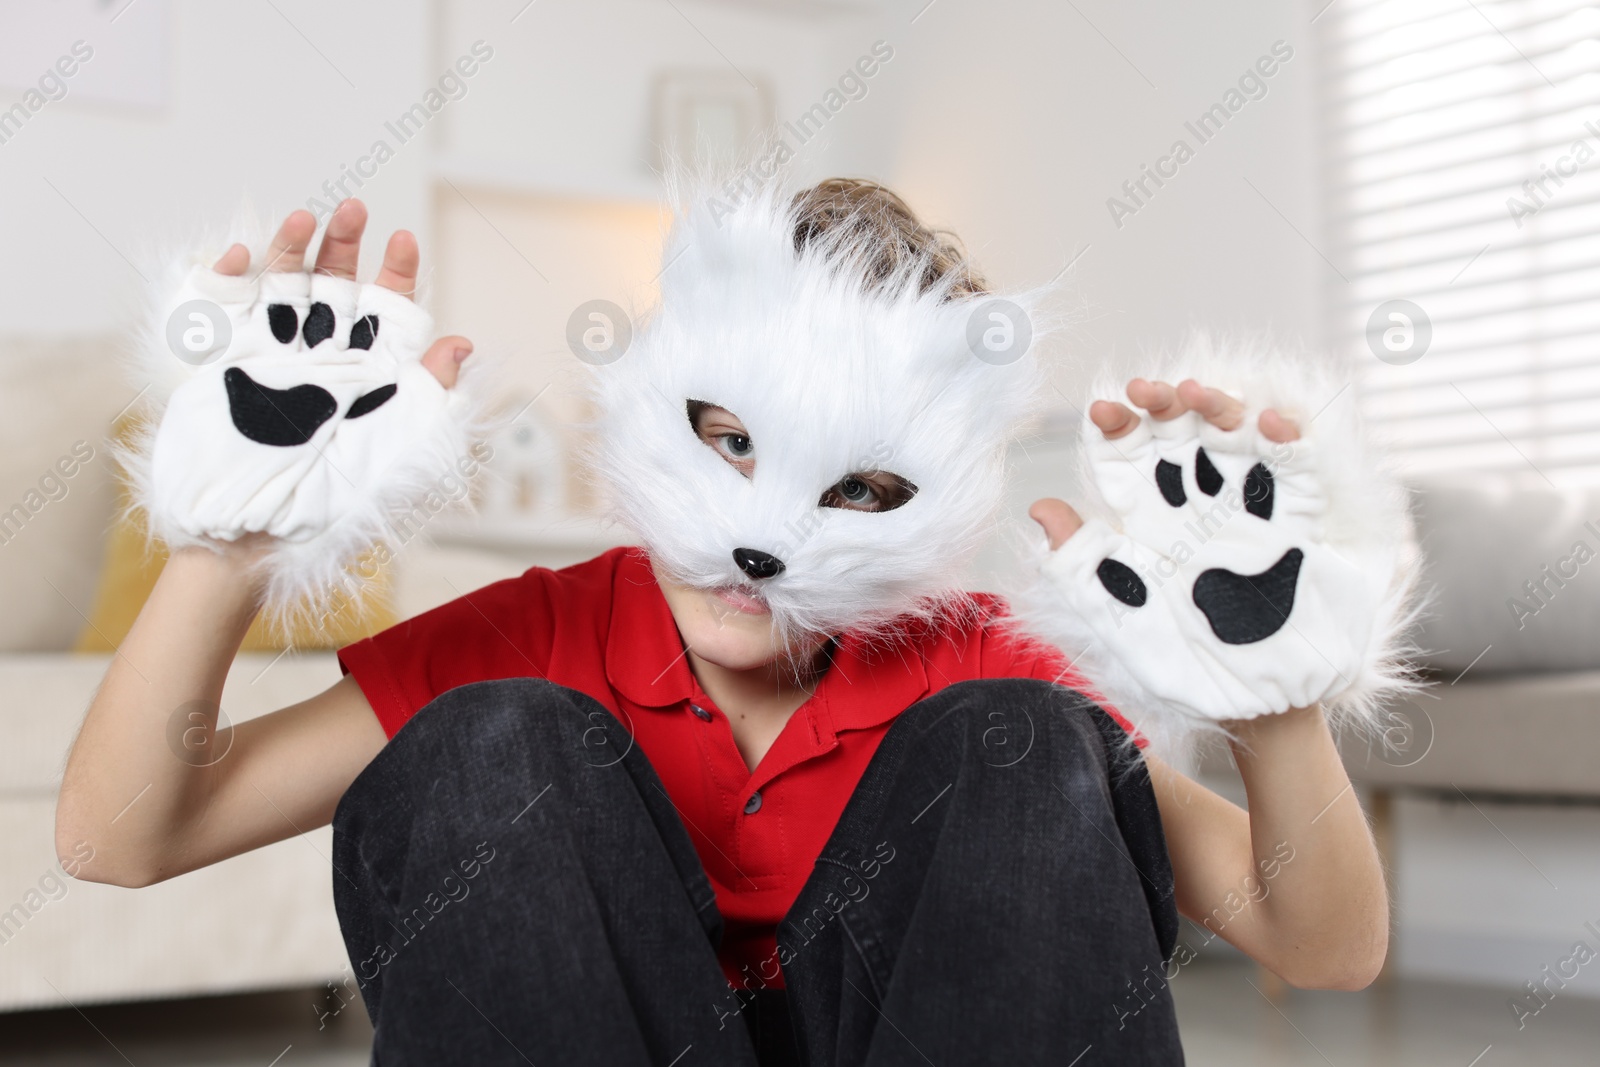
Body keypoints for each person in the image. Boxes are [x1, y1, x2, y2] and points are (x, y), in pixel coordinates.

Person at [57, 180, 1391, 1066]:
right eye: (728, 440)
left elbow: (1328, 949)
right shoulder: (542, 630)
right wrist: (228, 544)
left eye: (858, 486)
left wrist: (1275, 702)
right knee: (488, 742)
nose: (764, 535)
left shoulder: (974, 656)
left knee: (1021, 737)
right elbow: (120, 837)